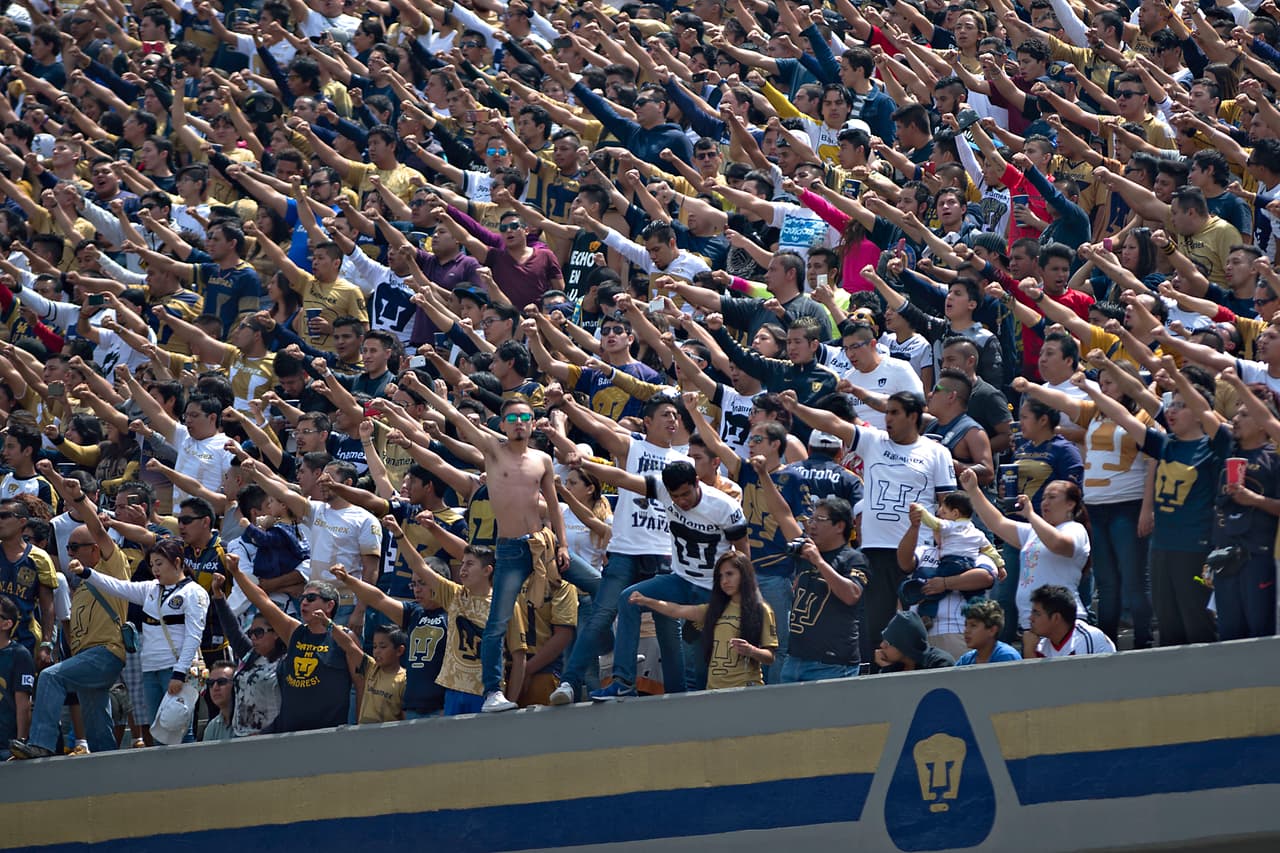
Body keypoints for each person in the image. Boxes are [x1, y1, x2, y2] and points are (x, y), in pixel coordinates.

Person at [408, 383, 566, 714]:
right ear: (502, 424)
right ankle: (494, 691)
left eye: (526, 417)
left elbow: (553, 505)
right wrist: (420, 388)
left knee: (595, 583)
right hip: (508, 550)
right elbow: (454, 416)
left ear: (534, 423)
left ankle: (602, 653)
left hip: (543, 545)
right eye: (513, 418)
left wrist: (562, 544)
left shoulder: (543, 459)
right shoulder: (493, 450)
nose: (520, 423)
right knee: (497, 623)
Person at [781, 388, 955, 668]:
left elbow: (949, 505)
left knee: (912, 631)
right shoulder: (874, 441)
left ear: (913, 416)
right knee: (875, 631)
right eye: (886, 412)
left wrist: (945, 548)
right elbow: (833, 423)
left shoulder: (937, 452)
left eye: (894, 413)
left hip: (917, 554)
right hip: (875, 552)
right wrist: (797, 408)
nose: (888, 419)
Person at [576, 459, 750, 701]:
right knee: (628, 599)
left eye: (686, 494)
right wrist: (583, 463)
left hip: (712, 589)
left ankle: (692, 701)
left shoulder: (724, 507)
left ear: (696, 482)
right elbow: (621, 478)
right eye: (675, 496)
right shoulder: (661, 489)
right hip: (680, 580)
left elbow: (742, 554)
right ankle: (624, 682)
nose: (681, 501)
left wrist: (744, 595)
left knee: (698, 661)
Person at [9, 470, 129, 759]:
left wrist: (79, 498)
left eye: (75, 547)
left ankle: (40, 744)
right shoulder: (83, 583)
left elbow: (98, 530)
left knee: (50, 677)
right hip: (88, 657)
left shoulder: (113, 568)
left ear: (96, 550)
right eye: (67, 547)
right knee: (97, 725)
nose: (69, 552)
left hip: (105, 653)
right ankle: (109, 768)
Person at [74, 538, 209, 741]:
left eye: (160, 563)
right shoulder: (151, 589)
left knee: (179, 727)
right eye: (152, 564)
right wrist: (87, 573)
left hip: (174, 667)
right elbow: (118, 587)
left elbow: (193, 636)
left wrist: (179, 673)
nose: (155, 569)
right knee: (158, 729)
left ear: (177, 562)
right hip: (149, 668)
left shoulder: (194, 592)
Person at [224, 555, 363, 733]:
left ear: (329, 606)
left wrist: (360, 728)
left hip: (328, 734)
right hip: (289, 733)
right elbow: (262, 601)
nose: (304, 602)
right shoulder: (295, 632)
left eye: (311, 598)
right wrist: (237, 572)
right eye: (302, 598)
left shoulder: (344, 638)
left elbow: (361, 684)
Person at [627, 551, 777, 691]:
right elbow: (676, 610)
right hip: (714, 690)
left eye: (730, 574)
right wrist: (647, 601)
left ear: (744, 575)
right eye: (720, 576)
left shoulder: (761, 610)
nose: (724, 581)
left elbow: (770, 657)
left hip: (747, 689)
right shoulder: (714, 609)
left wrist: (751, 650)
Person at [1029, 585, 1116, 658]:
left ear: (1056, 618)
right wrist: (1029, 652)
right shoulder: (1040, 646)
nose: (1031, 618)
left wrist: (1029, 652)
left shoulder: (1087, 637)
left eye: (1037, 614)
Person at [353, 624, 407, 724]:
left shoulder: (404, 680)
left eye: (383, 647)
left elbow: (405, 721)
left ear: (399, 650)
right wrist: (329, 625)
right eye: (374, 647)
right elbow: (349, 646)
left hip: (387, 733)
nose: (377, 651)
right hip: (363, 732)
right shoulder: (370, 668)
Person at [0, 597, 33, 748]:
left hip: (5, 747)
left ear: (6, 624)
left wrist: (20, 744)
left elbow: (23, 705)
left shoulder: (19, 655)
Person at [875, 611, 956, 672]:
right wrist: (887, 667)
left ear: (905, 646)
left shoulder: (940, 663)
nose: (882, 645)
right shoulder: (895, 664)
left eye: (887, 643)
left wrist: (889, 670)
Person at [955, 599, 1022, 666]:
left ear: (992, 630)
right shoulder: (965, 660)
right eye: (966, 625)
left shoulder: (1006, 657)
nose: (966, 631)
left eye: (973, 625)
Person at [200, 661, 236, 741]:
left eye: (221, 682)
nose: (215, 687)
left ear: (235, 685)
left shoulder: (249, 723)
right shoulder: (212, 727)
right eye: (211, 683)